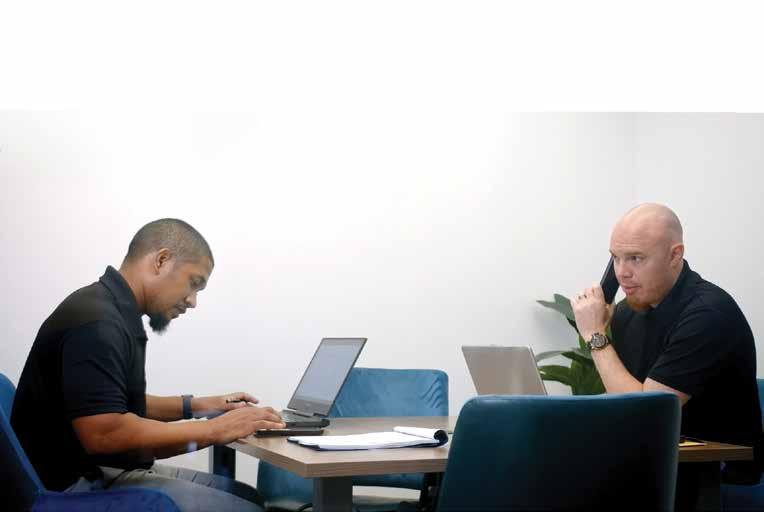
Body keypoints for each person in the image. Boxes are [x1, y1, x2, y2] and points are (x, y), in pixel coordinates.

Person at [11, 218, 285, 512]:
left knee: (248, 497)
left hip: (93, 471)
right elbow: (107, 433)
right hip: (70, 489)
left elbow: (113, 404)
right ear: (161, 260)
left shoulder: (107, 308)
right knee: (249, 509)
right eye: (193, 283)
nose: (193, 301)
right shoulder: (97, 322)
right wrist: (215, 429)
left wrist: (199, 406)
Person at [571, 203, 761, 508]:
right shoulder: (627, 313)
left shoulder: (708, 314)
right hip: (657, 460)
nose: (622, 273)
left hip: (714, 475)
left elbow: (646, 411)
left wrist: (596, 336)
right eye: (615, 258)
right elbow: (628, 403)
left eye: (636, 258)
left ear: (675, 255)